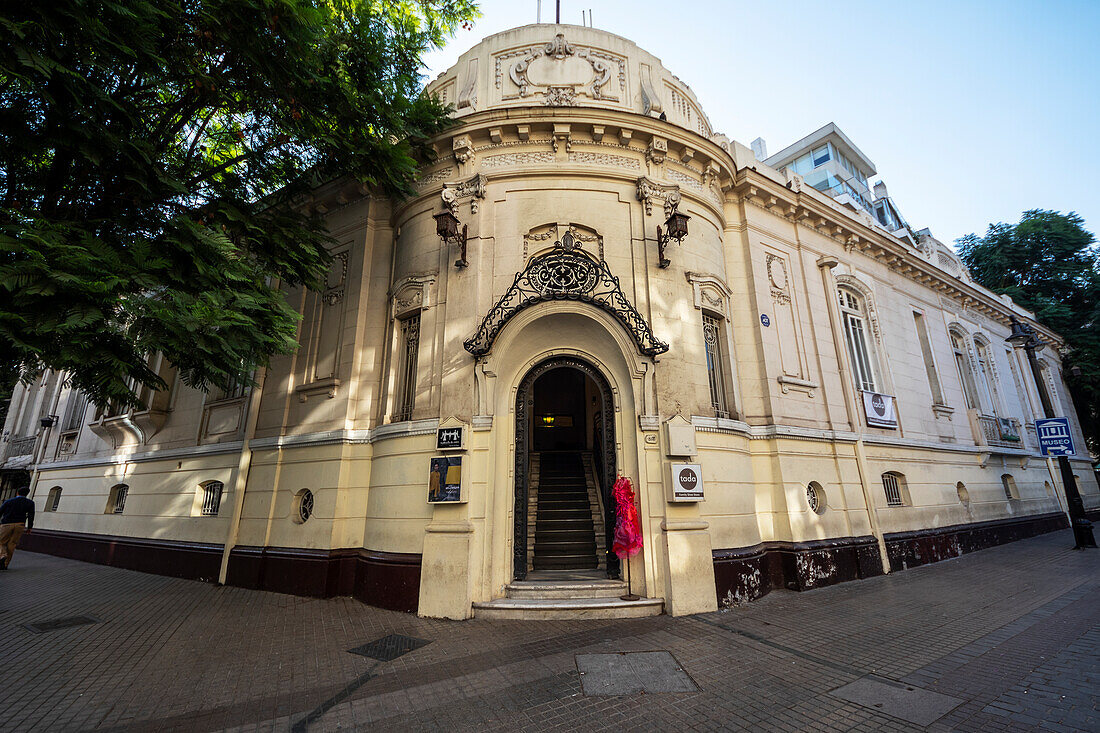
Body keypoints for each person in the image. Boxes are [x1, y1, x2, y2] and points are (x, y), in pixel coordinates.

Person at [0, 486, 34, 570]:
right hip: (20, 525)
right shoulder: (30, 503)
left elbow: (0, 511)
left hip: (7, 524)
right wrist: (29, 527)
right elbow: (31, 515)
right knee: (12, 544)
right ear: (27, 494)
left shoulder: (9, 501)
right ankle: (5, 564)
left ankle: (3, 555)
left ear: (17, 492)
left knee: (1, 541)